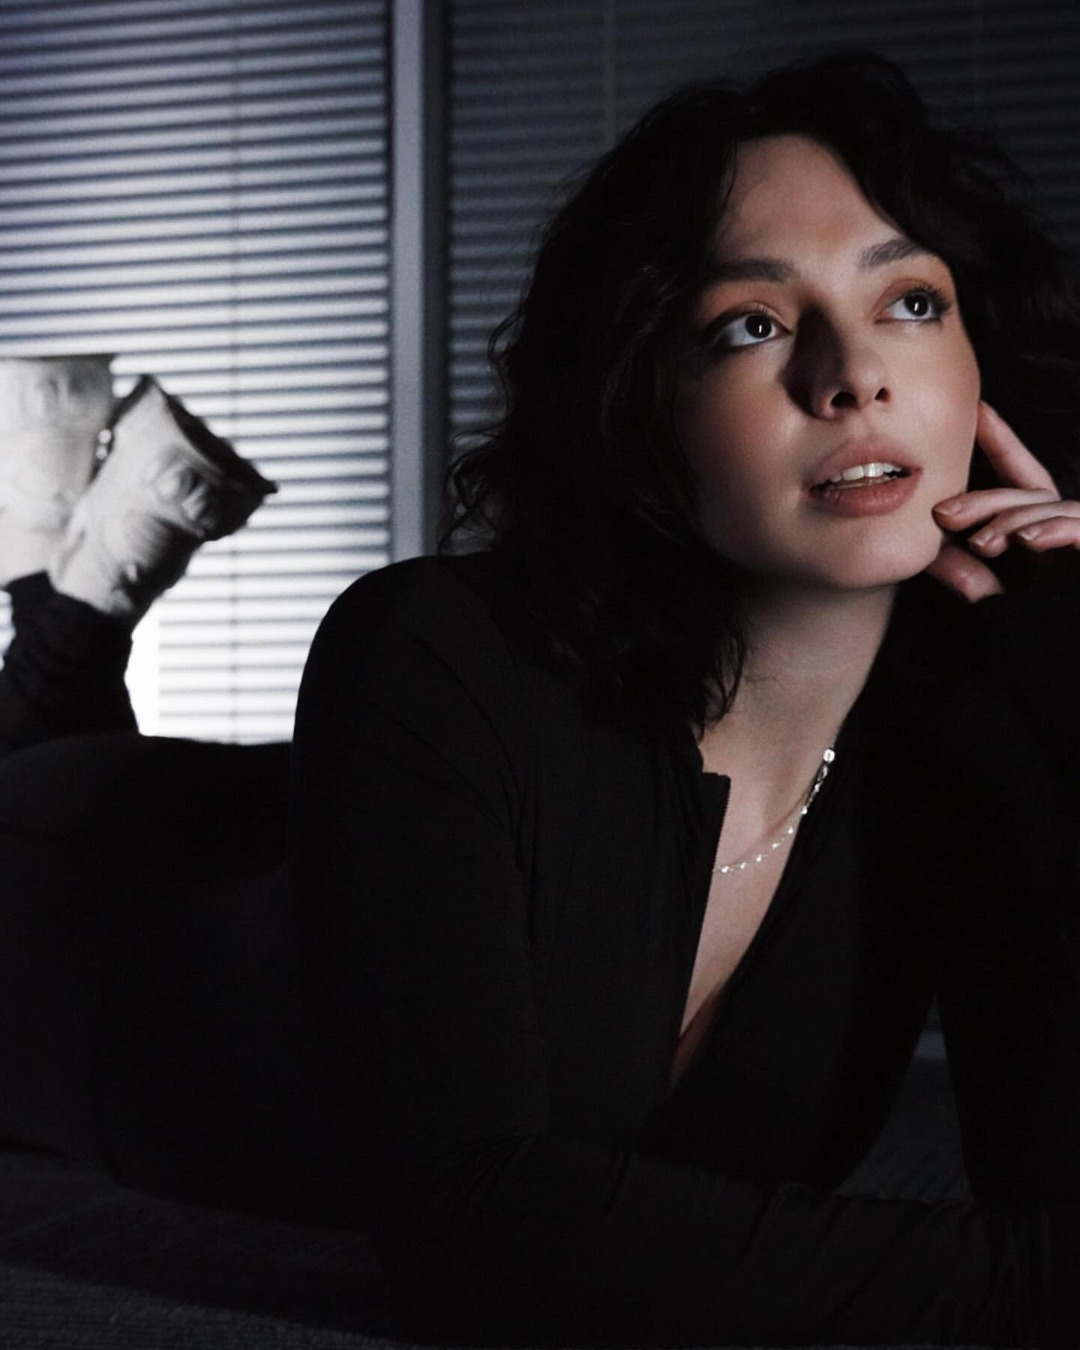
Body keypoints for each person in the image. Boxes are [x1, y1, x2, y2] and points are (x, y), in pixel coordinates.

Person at [2, 47, 1080, 1348]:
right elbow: (478, 1243)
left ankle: (75, 595)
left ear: (980, 364)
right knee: (39, 785)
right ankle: (73, 605)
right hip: (83, 934)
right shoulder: (433, 639)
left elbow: (1047, 1173)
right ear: (643, 403)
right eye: (750, 323)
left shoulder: (961, 743)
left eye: (909, 300)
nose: (852, 375)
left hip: (345, 828)